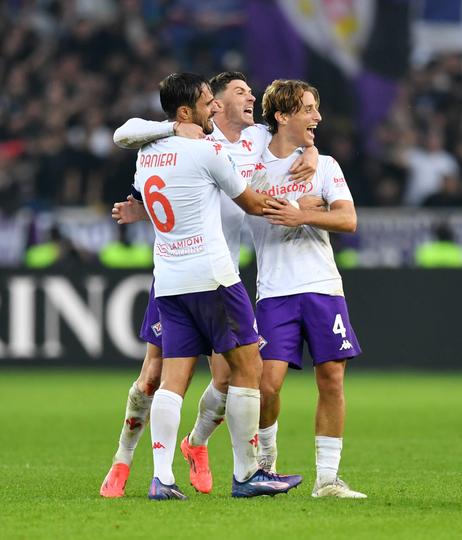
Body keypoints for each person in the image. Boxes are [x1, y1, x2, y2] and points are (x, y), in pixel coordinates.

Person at [100, 71, 319, 498]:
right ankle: (128, 461)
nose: (247, 97)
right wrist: (298, 207)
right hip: (211, 274)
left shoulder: (249, 138)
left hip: (176, 272)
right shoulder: (203, 146)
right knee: (173, 375)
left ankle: (183, 456)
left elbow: (292, 126)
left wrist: (311, 148)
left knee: (209, 378)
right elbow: (244, 201)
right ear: (208, 104)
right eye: (234, 93)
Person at [246, 79, 366, 498]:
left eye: (317, 108)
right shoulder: (250, 167)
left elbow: (348, 220)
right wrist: (309, 207)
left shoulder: (325, 165)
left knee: (332, 379)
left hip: (321, 286)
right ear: (282, 116)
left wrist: (302, 215)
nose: (318, 117)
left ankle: (327, 480)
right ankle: (264, 464)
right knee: (267, 384)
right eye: (309, 109)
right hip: (275, 290)